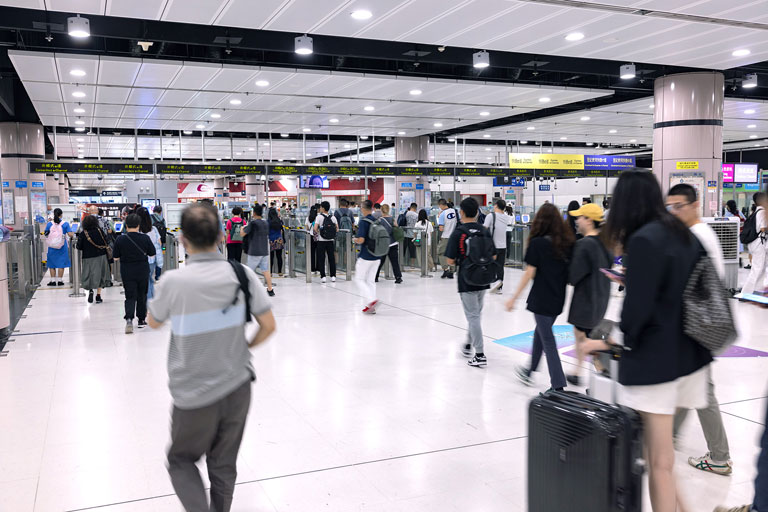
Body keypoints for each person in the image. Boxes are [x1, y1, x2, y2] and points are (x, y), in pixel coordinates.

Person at [147, 202, 276, 512]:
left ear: (182, 240)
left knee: (180, 459)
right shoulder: (242, 274)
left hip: (193, 392)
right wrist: (240, 349)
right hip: (237, 386)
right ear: (221, 235)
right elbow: (268, 326)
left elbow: (153, 321)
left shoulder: (173, 282)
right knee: (223, 464)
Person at [603, 169, 711, 512]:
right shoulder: (681, 232)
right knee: (659, 457)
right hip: (692, 355)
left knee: (659, 462)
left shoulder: (644, 239)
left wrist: (612, 343)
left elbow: (637, 312)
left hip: (658, 363)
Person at [666, 184, 733, 476]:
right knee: (686, 385)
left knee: (703, 391)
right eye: (670, 207)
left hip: (698, 325)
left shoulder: (696, 237)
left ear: (695, 205)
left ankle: (719, 457)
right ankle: (668, 436)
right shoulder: (698, 234)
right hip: (698, 323)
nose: (674, 212)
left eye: (679, 206)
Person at [506, 202, 574, 391]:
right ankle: (530, 371)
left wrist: (514, 298)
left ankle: (558, 383)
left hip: (541, 299)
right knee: (540, 333)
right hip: (558, 298)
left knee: (547, 339)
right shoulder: (566, 243)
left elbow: (529, 273)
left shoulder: (537, 243)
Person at [563, 202, 611, 386]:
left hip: (585, 299)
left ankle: (600, 371)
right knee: (584, 334)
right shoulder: (606, 243)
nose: (577, 221)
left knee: (583, 335)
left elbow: (573, 276)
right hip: (601, 297)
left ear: (589, 220)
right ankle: (581, 370)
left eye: (580, 217)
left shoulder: (584, 245)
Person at [445, 197, 493, 368]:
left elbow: (450, 260)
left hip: (466, 279)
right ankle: (468, 343)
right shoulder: (484, 230)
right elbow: (493, 255)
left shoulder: (459, 232)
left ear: (461, 212)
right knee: (476, 315)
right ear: (478, 212)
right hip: (484, 277)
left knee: (473, 316)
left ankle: (479, 354)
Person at [113, 213, 156, 334]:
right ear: (138, 225)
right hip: (142, 269)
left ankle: (129, 319)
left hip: (127, 270)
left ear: (126, 225)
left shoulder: (120, 239)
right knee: (142, 294)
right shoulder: (145, 238)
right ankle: (141, 320)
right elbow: (152, 253)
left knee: (130, 296)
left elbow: (115, 258)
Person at [353, 200, 381, 313]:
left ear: (363, 209)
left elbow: (361, 240)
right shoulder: (377, 220)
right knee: (370, 281)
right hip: (377, 255)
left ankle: (371, 300)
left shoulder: (364, 222)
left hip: (366, 255)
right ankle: (371, 308)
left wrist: (354, 239)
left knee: (359, 279)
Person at [740, 192, 768, 297]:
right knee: (757, 269)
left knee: (760, 268)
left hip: (755, 243)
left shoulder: (756, 211)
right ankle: (745, 293)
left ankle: (757, 291)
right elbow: (763, 228)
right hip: (759, 245)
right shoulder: (762, 212)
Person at [243, 204, 275, 297]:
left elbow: (243, 233)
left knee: (250, 271)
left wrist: (242, 228)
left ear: (254, 213)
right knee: (265, 271)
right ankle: (270, 289)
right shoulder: (265, 222)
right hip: (264, 250)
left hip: (254, 251)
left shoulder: (253, 223)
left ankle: (248, 291)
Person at [76, 214, 109, 304]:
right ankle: (98, 296)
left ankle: (90, 290)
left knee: (89, 274)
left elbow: (79, 246)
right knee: (100, 275)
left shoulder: (83, 233)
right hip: (101, 256)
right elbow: (107, 241)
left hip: (88, 257)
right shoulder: (100, 231)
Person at [483, 199, 511, 294]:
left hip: (492, 246)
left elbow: (484, 229)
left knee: (490, 265)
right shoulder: (506, 217)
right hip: (503, 246)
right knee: (500, 267)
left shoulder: (491, 216)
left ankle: (491, 283)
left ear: (496, 206)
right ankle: (499, 287)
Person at [137, 207, 163, 299]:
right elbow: (159, 243)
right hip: (152, 259)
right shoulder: (154, 229)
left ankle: (148, 303)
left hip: (141, 259)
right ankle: (153, 300)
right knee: (150, 280)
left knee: (144, 282)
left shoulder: (137, 230)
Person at [44, 208, 74, 286]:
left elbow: (46, 233)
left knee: (51, 263)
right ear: (61, 214)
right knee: (61, 263)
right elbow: (70, 235)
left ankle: (53, 281)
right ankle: (60, 280)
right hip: (62, 246)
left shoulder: (49, 224)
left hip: (52, 246)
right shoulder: (65, 224)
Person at [375, 204, 403, 284]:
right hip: (393, 243)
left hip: (383, 244)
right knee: (394, 262)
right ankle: (398, 277)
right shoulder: (392, 219)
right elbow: (397, 227)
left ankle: (375, 277)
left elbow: (375, 230)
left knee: (380, 261)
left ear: (381, 210)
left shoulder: (379, 220)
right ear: (388, 210)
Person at [313, 201, 337, 283]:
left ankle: (323, 276)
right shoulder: (333, 217)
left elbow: (315, 229)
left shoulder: (319, 217)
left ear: (323, 208)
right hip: (330, 241)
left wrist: (320, 231)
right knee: (331, 258)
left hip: (321, 240)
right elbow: (337, 229)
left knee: (321, 258)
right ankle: (333, 276)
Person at [437, 199, 459, 279]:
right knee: (452, 253)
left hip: (445, 237)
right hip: (454, 236)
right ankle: (452, 271)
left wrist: (438, 217)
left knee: (440, 252)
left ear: (441, 205)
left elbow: (441, 228)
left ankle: (445, 269)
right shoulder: (454, 211)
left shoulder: (442, 214)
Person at [415, 208, 435, 273]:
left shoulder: (417, 223)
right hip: (428, 241)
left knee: (420, 254)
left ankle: (422, 267)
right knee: (428, 254)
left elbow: (415, 233)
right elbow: (431, 232)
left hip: (419, 241)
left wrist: (415, 238)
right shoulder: (429, 223)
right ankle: (431, 267)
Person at [267, 207, 285, 277]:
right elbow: (282, 229)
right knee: (279, 256)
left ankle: (270, 272)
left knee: (271, 257)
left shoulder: (268, 221)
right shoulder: (279, 220)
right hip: (279, 240)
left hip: (271, 240)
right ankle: (280, 271)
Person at [306, 204, 319, 274]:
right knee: (318, 252)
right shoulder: (318, 217)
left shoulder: (308, 218)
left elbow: (307, 228)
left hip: (310, 236)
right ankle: (318, 268)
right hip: (317, 236)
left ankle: (312, 268)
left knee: (312, 253)